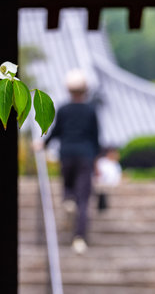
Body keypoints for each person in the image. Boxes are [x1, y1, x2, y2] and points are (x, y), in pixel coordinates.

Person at [44, 69, 100, 254]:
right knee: (83, 200)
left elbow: (55, 132)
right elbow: (95, 138)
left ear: (68, 90)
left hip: (66, 153)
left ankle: (68, 200)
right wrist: (96, 163)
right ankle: (79, 238)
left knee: (68, 185)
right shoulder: (91, 110)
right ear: (85, 90)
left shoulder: (63, 109)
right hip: (85, 155)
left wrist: (42, 144)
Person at [94, 148, 122, 212]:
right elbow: (98, 173)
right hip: (102, 183)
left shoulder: (116, 164)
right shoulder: (102, 162)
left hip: (112, 184)